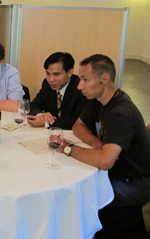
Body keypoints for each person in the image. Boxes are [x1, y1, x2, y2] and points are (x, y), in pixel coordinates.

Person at [57, 54, 150, 236]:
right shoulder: (100, 101)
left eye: (85, 79)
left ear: (104, 79)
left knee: (75, 197)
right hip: (116, 173)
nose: (79, 85)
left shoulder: (120, 113)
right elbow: (78, 126)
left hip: (132, 182)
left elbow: (106, 162)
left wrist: (68, 149)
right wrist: (98, 144)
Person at [28, 52, 89, 129]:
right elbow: (33, 105)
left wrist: (47, 123)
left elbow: (78, 121)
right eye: (48, 73)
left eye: (56, 74)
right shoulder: (47, 84)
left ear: (69, 72)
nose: (51, 79)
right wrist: (41, 115)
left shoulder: (81, 89)